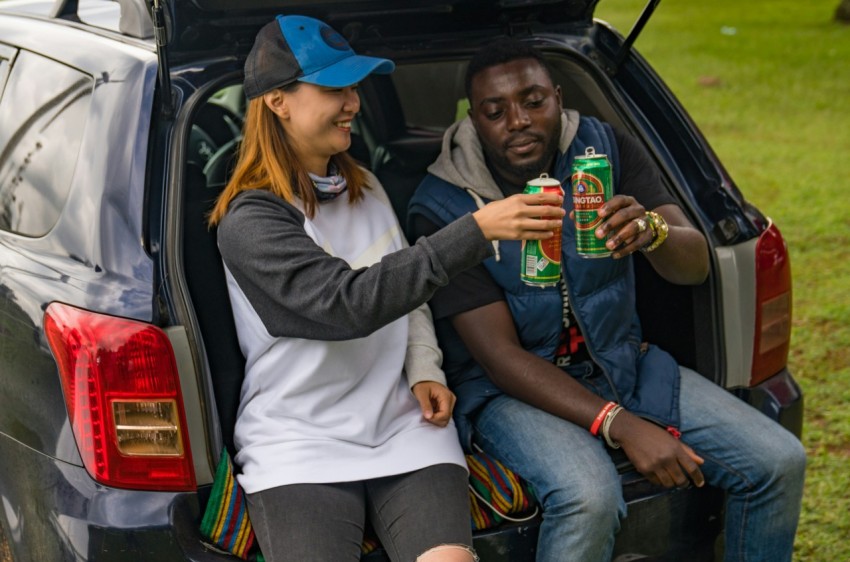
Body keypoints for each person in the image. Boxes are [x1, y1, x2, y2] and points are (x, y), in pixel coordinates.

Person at [407, 38, 806, 562]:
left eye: (533, 100)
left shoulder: (605, 148)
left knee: (780, 461)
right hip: (511, 393)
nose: (518, 120)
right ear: (473, 119)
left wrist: (654, 229)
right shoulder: (443, 206)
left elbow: (696, 265)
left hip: (622, 363)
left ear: (558, 95)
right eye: (494, 110)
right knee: (589, 497)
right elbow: (500, 359)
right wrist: (621, 424)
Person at [207, 16, 565, 562]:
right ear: (278, 101)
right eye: (333, 89)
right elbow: (344, 305)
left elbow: (408, 288)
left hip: (404, 425)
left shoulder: (364, 185)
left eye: (353, 87)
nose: (352, 103)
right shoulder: (250, 219)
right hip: (299, 439)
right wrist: (477, 229)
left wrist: (424, 368)